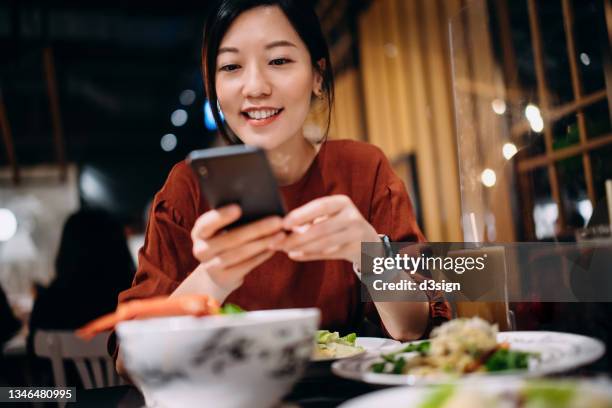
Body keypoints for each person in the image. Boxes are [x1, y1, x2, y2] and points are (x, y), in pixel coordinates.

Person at [114, 0, 450, 369]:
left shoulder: (362, 170)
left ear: (318, 75)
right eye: (231, 66)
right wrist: (214, 276)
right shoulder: (188, 188)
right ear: (214, 87)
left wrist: (366, 254)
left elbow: (415, 329)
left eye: (279, 61)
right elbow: (130, 360)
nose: (255, 87)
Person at [28, 208, 135, 385]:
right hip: (131, 399)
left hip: (69, 400)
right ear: (119, 247)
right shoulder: (135, 298)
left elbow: (35, 364)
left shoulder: (48, 302)